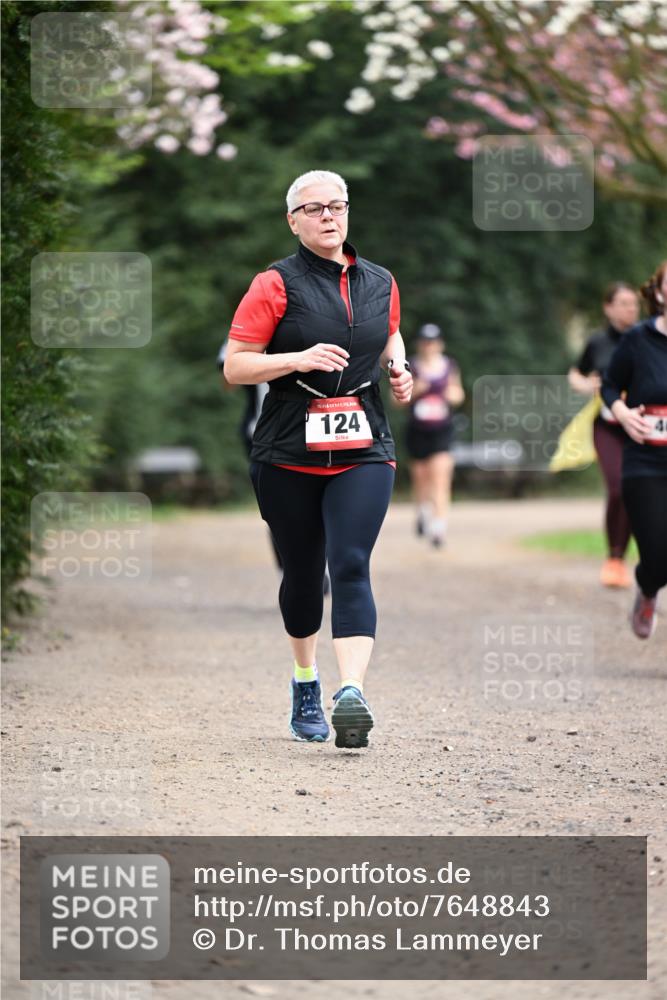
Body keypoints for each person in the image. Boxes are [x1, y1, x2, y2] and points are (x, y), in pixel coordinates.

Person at [223, 169, 412, 747]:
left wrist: (398, 370)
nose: (328, 216)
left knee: (351, 562)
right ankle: (305, 679)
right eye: (314, 209)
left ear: (348, 212)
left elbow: (389, 334)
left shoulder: (381, 281)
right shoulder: (274, 284)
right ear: (293, 221)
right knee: (303, 575)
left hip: (363, 445)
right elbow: (236, 365)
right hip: (288, 449)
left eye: (336, 206)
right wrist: (295, 358)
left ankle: (350, 691)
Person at [601, 261, 667, 639]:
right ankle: (647, 586)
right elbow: (610, 387)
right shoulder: (638, 339)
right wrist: (624, 414)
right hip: (645, 462)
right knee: (658, 554)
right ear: (658, 293)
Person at [568, 283, 640, 587]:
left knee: (639, 491)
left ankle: (634, 556)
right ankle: (614, 558)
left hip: (642, 427)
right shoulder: (597, 343)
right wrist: (587, 386)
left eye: (634, 303)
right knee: (617, 487)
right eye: (623, 303)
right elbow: (576, 373)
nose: (630, 309)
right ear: (608, 307)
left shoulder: (646, 339)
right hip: (607, 426)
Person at [404, 323, 464, 547]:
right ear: (420, 344)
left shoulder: (449, 366)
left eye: (433, 342)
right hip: (418, 430)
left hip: (442, 430)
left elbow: (459, 394)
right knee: (421, 478)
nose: (429, 346)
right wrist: (415, 390)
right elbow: (396, 399)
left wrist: (452, 395)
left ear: (440, 344)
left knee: (441, 478)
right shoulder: (410, 365)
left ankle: (438, 529)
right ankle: (422, 511)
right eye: (425, 342)